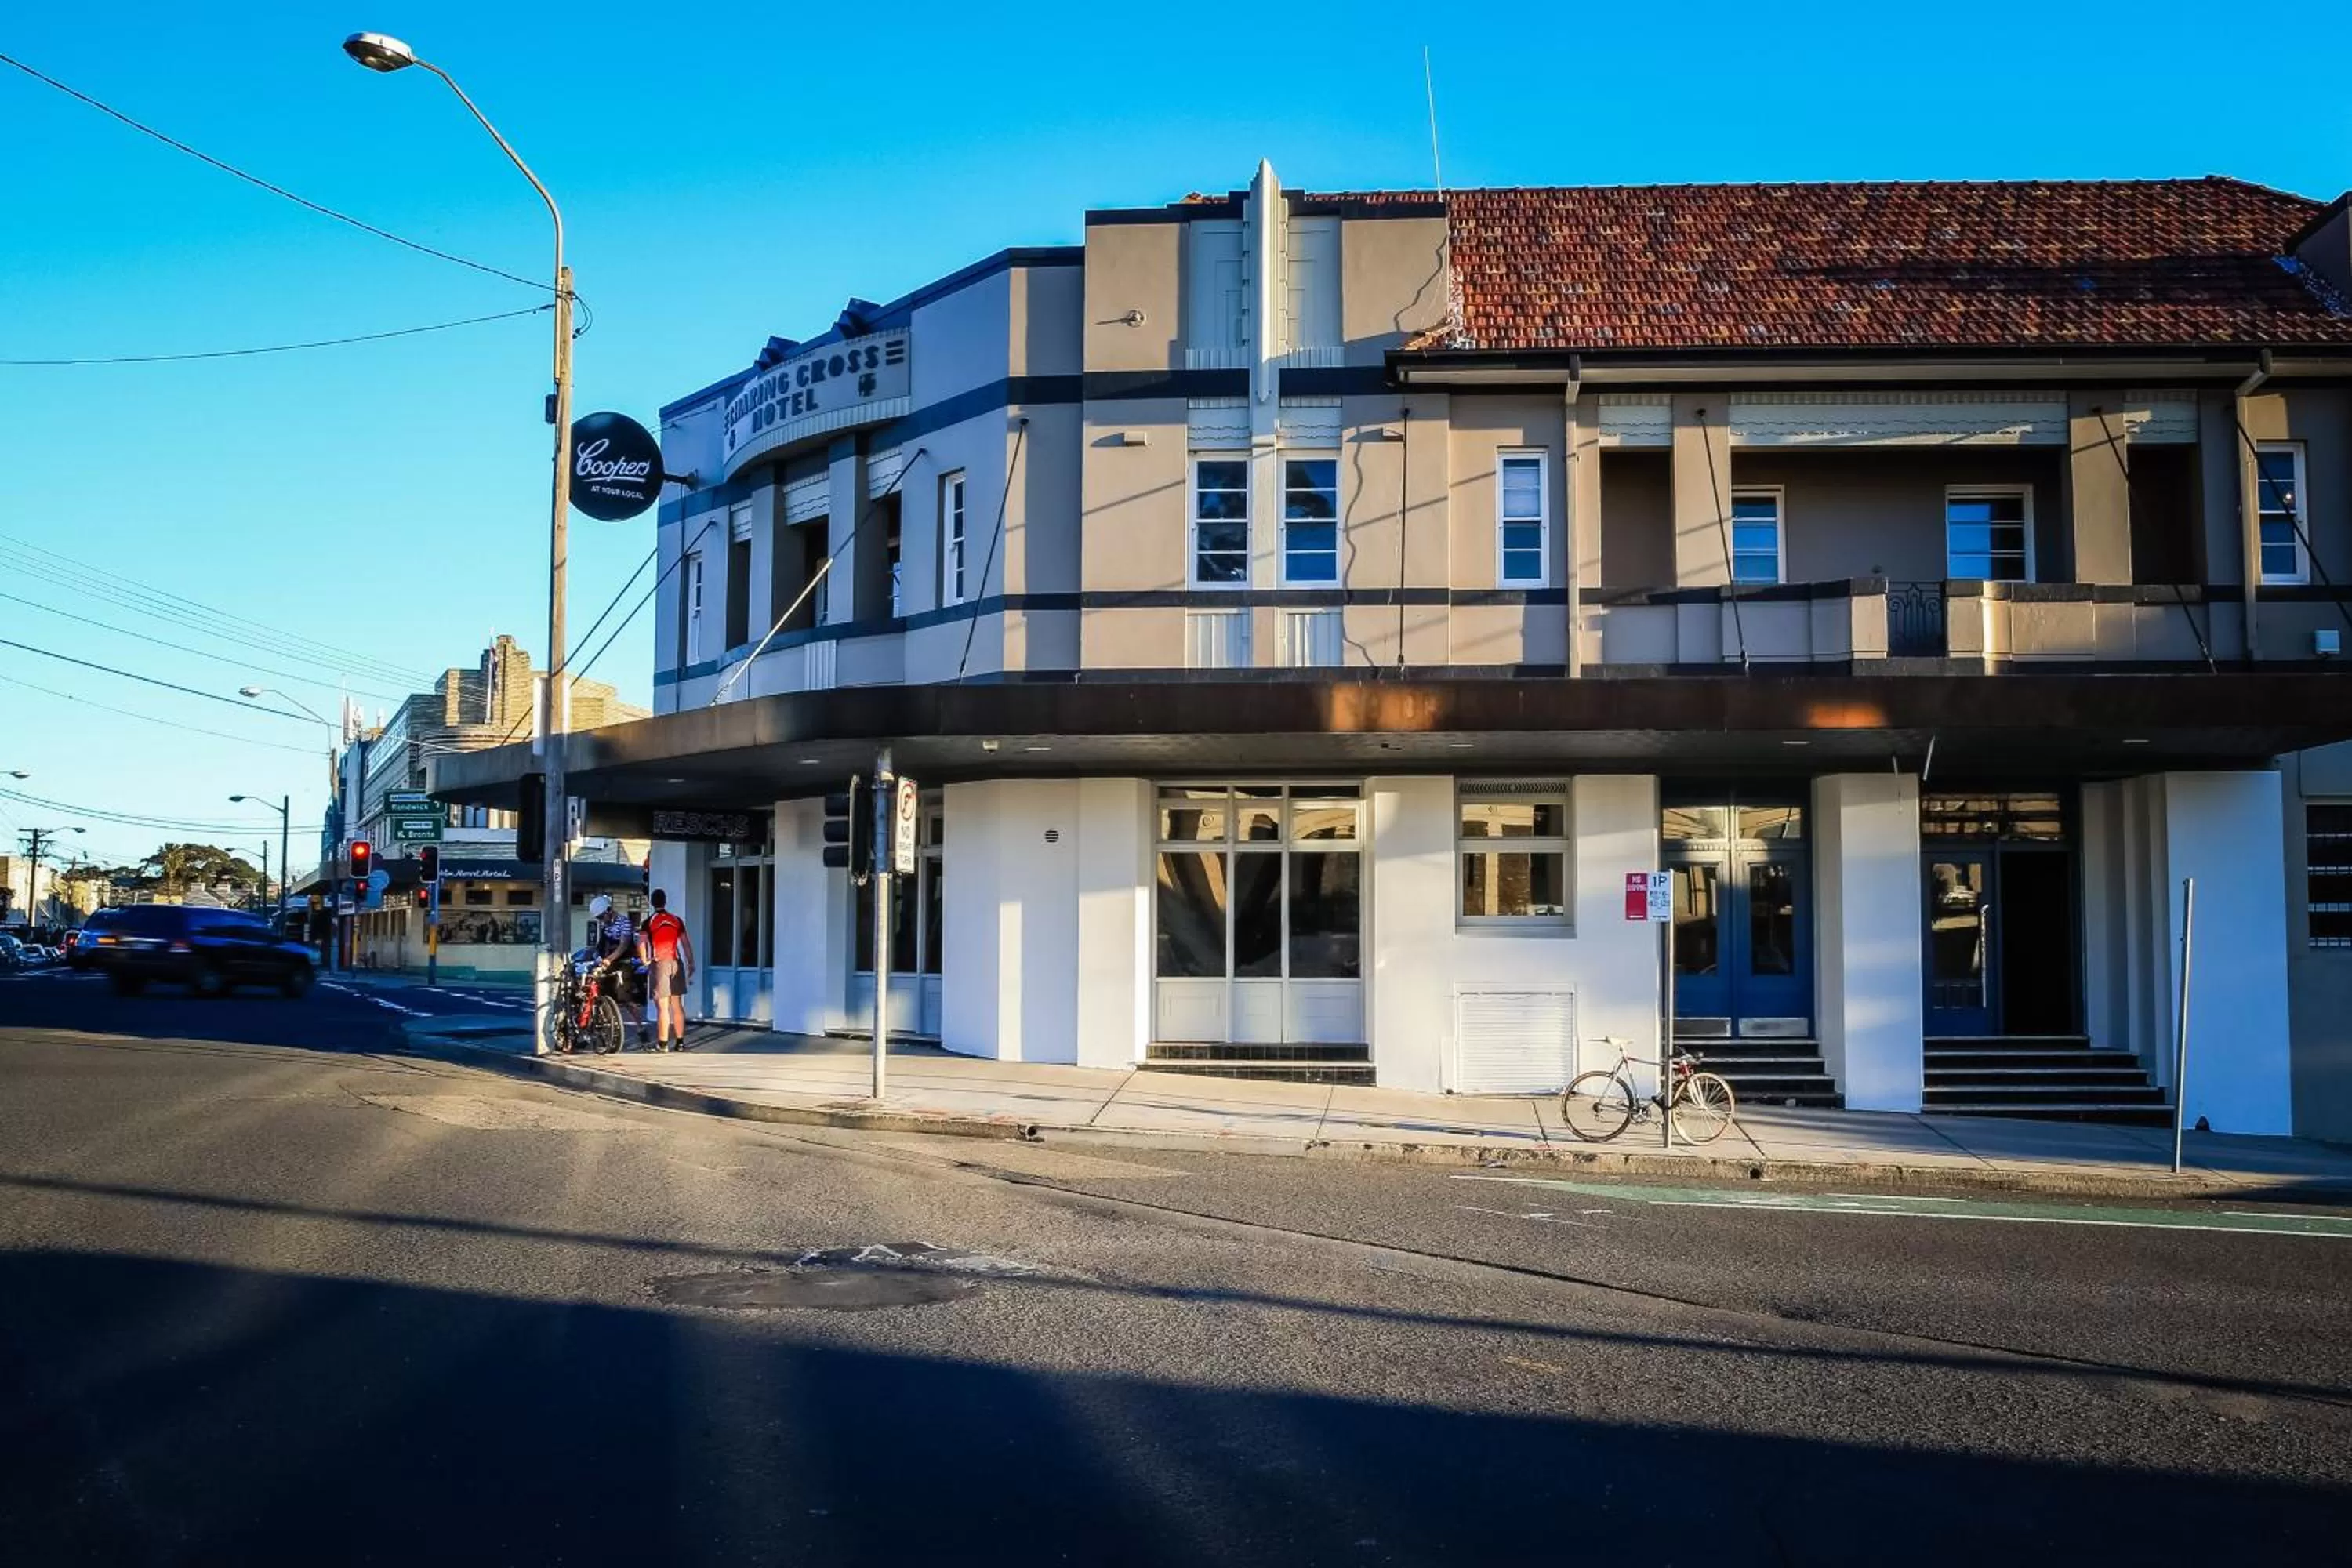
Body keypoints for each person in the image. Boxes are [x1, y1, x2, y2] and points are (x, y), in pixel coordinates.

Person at [639, 888, 694, 1052]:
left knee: (663, 1006)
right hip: (676, 962)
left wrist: (645, 961)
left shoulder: (649, 922)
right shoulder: (676, 920)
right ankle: (680, 1042)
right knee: (677, 1004)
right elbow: (685, 943)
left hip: (659, 963)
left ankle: (662, 1044)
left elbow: (641, 943)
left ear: (651, 902)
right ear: (665, 901)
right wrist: (691, 962)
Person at [586, 895, 645, 1045]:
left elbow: (623, 945)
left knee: (625, 997)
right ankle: (604, 1027)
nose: (600, 920)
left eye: (601, 917)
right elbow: (602, 944)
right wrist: (598, 958)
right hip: (608, 962)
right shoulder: (604, 925)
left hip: (623, 962)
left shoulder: (624, 922)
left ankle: (640, 1028)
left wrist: (609, 959)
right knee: (599, 992)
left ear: (608, 911)